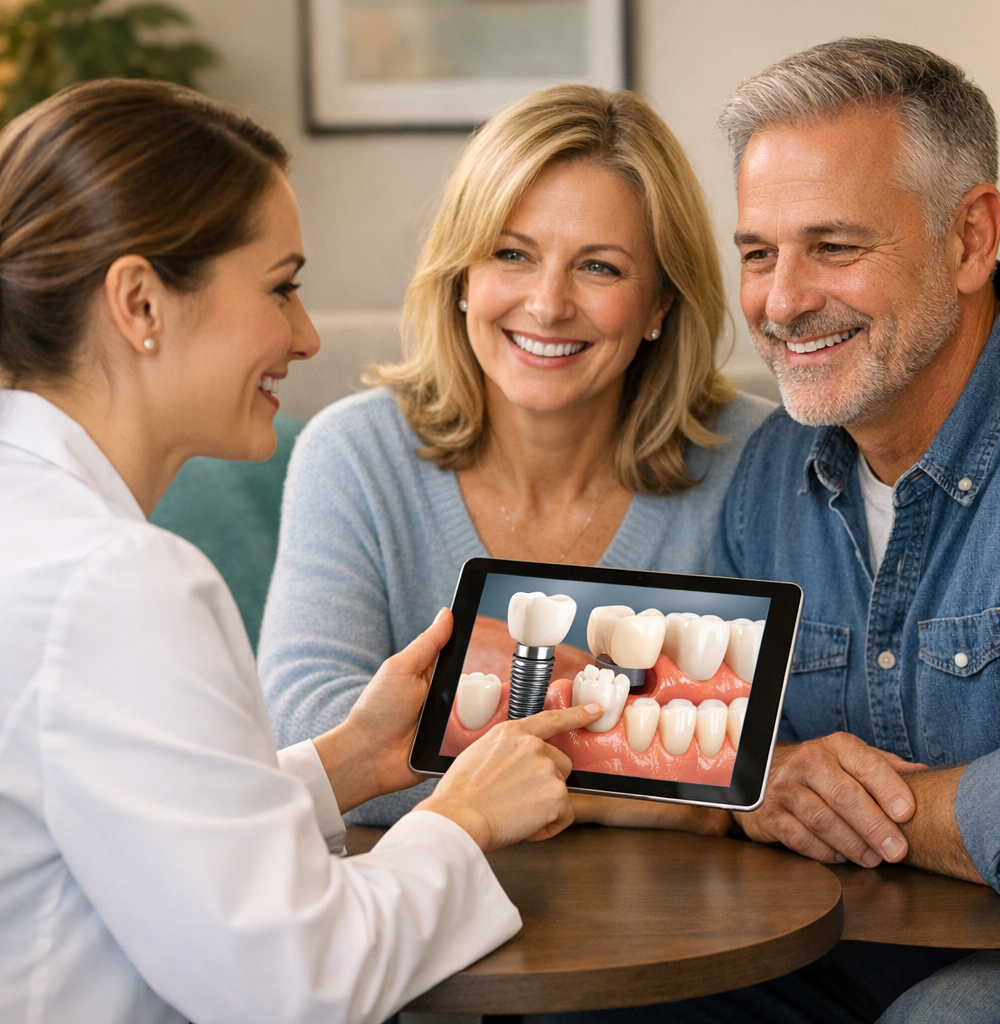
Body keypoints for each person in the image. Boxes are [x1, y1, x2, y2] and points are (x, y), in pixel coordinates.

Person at [0, 79, 609, 1024]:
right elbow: (296, 983)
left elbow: (138, 823)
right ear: (140, 303)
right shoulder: (118, 582)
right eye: (281, 286)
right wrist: (467, 816)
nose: (306, 333)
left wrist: (349, 761)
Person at [259, 84, 775, 829]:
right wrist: (659, 797)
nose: (547, 304)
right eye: (511, 254)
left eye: (599, 267)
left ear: (661, 300)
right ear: (462, 277)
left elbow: (796, 735)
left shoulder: (760, 457)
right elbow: (309, 734)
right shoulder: (353, 453)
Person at [717, 36, 1000, 1024]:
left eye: (834, 247)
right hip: (837, 958)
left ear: (970, 238)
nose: (782, 301)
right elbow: (725, 753)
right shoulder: (765, 474)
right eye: (758, 254)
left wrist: (910, 810)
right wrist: (757, 787)